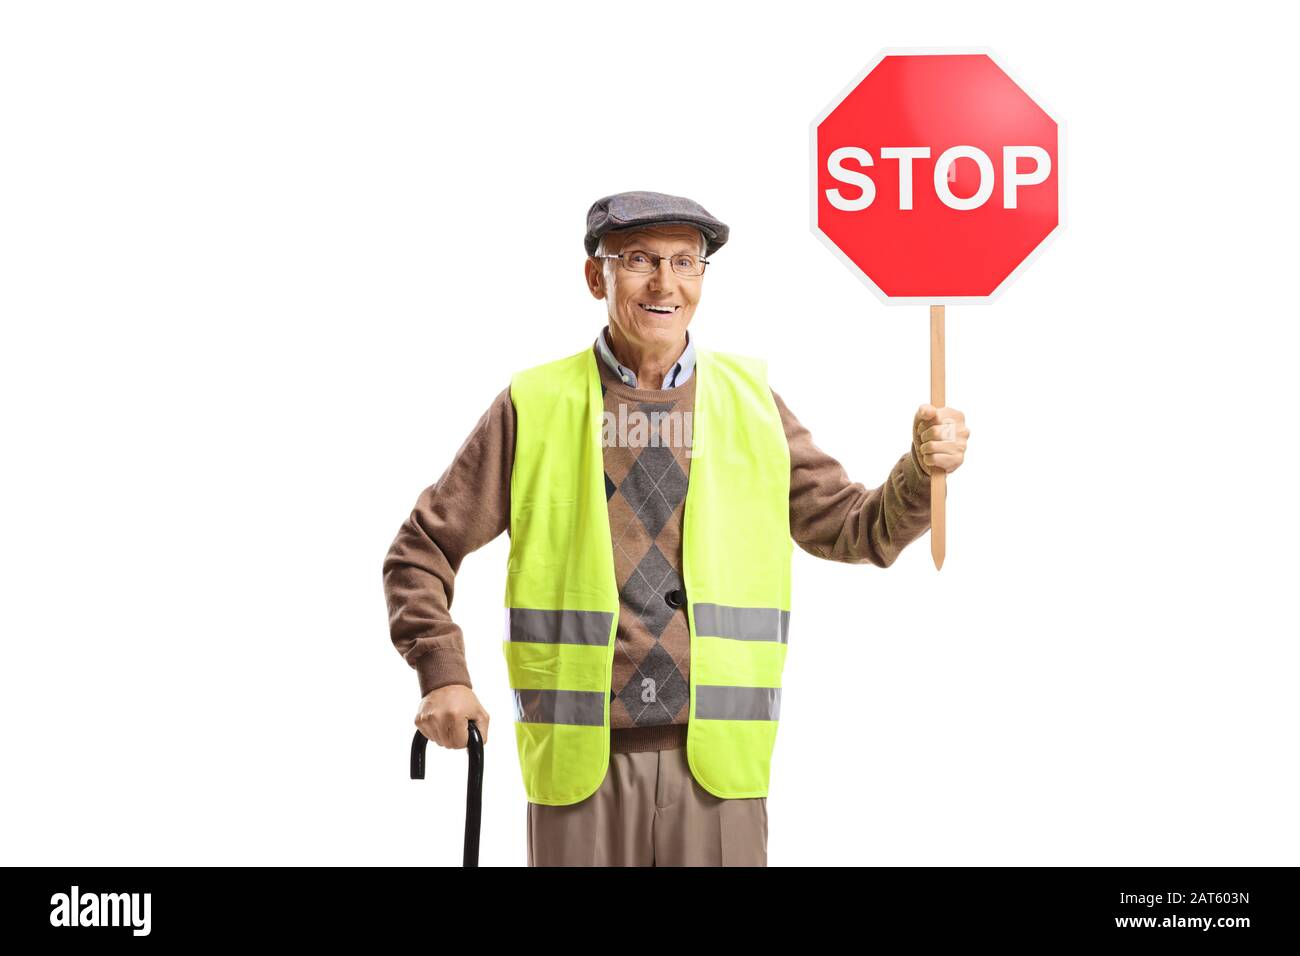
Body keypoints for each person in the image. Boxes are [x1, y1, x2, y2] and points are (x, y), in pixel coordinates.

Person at [382, 190, 970, 866]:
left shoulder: (751, 403)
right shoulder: (533, 406)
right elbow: (419, 552)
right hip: (580, 773)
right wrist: (443, 674)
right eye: (639, 259)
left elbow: (854, 527)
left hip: (718, 774)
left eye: (686, 262)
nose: (666, 283)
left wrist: (922, 474)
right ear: (595, 277)